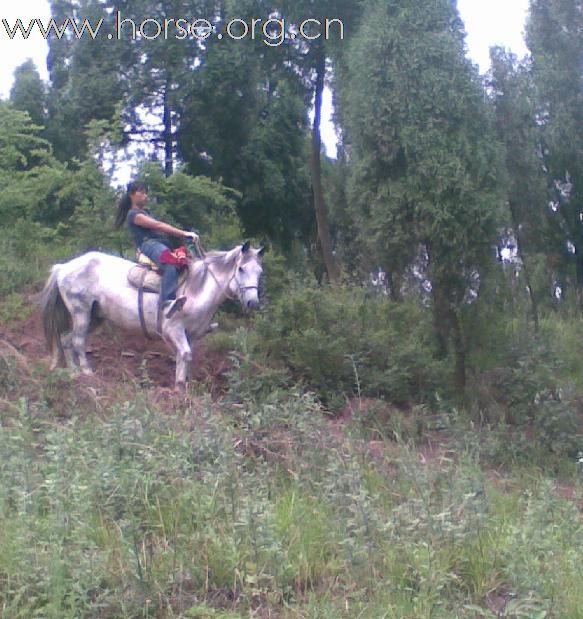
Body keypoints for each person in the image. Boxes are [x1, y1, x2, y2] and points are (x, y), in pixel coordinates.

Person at [115, 181, 198, 318]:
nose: (145, 195)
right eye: (141, 192)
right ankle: (166, 302)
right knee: (170, 262)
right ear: (131, 195)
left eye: (146, 192)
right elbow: (158, 226)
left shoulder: (145, 212)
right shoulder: (134, 214)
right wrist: (184, 233)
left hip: (160, 244)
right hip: (149, 245)